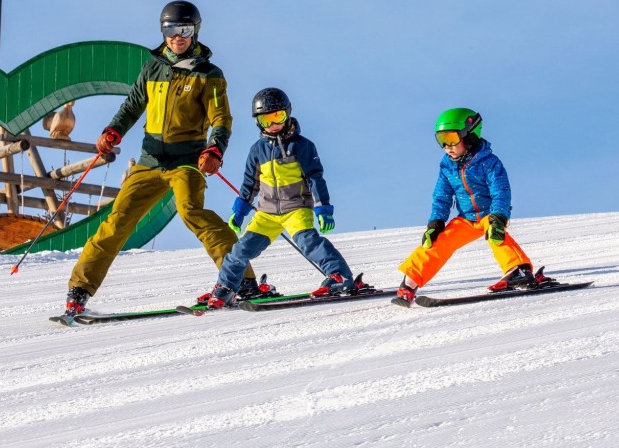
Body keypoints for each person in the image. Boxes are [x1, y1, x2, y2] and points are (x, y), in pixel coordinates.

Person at [63, 0, 264, 315]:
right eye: (170, 30)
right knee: (117, 222)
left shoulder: (208, 74)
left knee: (192, 213)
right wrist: (113, 131)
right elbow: (132, 106)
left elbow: (221, 119)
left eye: (183, 30)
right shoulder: (153, 67)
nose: (177, 37)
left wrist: (215, 149)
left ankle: (244, 282)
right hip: (149, 161)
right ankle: (78, 292)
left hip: (187, 161)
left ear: (194, 31)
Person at [202, 87, 367, 309]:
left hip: (296, 208)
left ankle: (339, 276)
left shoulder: (302, 145)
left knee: (308, 243)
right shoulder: (256, 150)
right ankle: (226, 288)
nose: (273, 125)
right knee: (239, 251)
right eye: (265, 120)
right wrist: (239, 211)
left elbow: (315, 178)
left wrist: (323, 209)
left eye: (277, 117)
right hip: (267, 214)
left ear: (287, 114)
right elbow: (250, 184)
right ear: (258, 122)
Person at [394, 107, 549, 304]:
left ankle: (519, 270)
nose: (447, 146)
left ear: (469, 136)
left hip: (488, 214)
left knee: (495, 235)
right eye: (441, 140)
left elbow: (501, 192)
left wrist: (498, 217)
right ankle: (410, 283)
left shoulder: (489, 163)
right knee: (437, 241)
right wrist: (436, 222)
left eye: (451, 138)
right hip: (466, 218)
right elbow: (441, 196)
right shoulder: (447, 166)